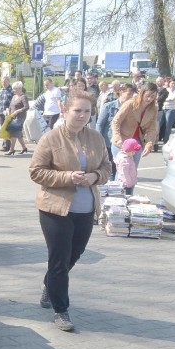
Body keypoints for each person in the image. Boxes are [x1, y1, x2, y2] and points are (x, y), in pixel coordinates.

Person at [29, 90, 109, 332]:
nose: (83, 115)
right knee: (59, 260)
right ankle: (61, 310)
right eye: (77, 110)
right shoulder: (51, 138)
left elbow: (107, 168)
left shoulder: (96, 138)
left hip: (85, 209)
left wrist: (95, 175)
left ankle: (49, 285)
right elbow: (36, 171)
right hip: (56, 209)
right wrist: (67, 177)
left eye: (87, 111)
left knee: (74, 255)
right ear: (65, 110)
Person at [111, 82, 158, 168]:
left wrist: (149, 144)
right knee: (122, 171)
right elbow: (116, 121)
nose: (149, 99)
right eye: (147, 95)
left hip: (137, 143)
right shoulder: (130, 103)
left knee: (132, 171)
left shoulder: (153, 109)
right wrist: (117, 137)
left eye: (152, 97)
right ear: (142, 93)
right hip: (122, 141)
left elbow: (152, 129)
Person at [96, 83, 137, 178]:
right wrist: (99, 141)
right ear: (121, 92)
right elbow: (100, 124)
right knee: (110, 168)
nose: (131, 96)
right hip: (109, 142)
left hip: (124, 143)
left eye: (132, 94)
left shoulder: (133, 108)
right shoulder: (109, 106)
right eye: (129, 93)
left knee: (121, 169)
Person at [5, 81, 29, 155]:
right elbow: (11, 106)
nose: (13, 90)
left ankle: (11, 150)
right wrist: (8, 111)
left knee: (14, 133)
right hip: (12, 117)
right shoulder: (14, 96)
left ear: (19, 88)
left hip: (20, 117)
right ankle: (24, 148)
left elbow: (26, 107)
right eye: (13, 89)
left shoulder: (23, 97)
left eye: (14, 89)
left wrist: (19, 110)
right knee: (18, 133)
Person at [0, 76, 13, 152]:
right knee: (2, 129)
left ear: (9, 82)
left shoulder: (12, 91)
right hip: (1, 113)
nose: (4, 83)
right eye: (2, 82)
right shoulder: (1, 90)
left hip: (8, 114)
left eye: (5, 82)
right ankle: (6, 145)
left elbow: (13, 103)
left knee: (7, 129)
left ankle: (7, 146)